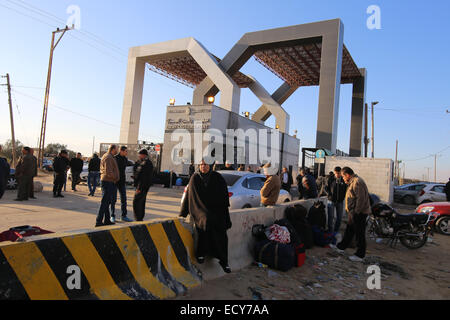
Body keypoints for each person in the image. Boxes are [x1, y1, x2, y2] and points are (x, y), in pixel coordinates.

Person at [180, 159, 232, 273]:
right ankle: (201, 254)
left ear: (210, 165)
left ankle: (224, 261)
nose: (203, 167)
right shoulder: (195, 177)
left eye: (206, 164)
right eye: (201, 164)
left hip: (216, 210)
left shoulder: (217, 178)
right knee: (205, 222)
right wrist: (182, 213)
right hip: (200, 210)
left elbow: (223, 196)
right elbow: (189, 197)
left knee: (221, 230)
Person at [331, 167, 371, 262]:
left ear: (348, 175)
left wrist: (356, 213)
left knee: (359, 234)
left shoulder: (357, 182)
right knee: (349, 230)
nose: (343, 179)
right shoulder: (352, 182)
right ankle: (341, 247)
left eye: (343, 177)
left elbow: (360, 199)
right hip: (354, 212)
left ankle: (360, 255)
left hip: (359, 213)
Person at [95, 145, 119, 227]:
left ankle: (107, 220)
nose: (117, 150)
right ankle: (98, 221)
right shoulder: (108, 157)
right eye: (117, 149)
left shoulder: (110, 156)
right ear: (113, 149)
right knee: (105, 202)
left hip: (109, 181)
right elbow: (108, 172)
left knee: (107, 202)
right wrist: (115, 178)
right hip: (108, 181)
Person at [111, 146, 132, 222]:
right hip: (115, 181)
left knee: (124, 199)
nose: (127, 153)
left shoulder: (125, 159)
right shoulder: (115, 158)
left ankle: (124, 216)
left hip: (122, 181)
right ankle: (112, 215)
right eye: (126, 151)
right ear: (121, 151)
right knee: (113, 199)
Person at [133, 149, 153, 221]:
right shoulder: (143, 162)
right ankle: (140, 217)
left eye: (140, 154)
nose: (139, 156)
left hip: (142, 187)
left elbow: (143, 177)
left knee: (137, 202)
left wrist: (139, 188)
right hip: (143, 186)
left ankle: (138, 218)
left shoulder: (146, 164)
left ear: (144, 155)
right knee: (141, 202)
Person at [326, 167, 347, 233]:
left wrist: (343, 197)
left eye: (339, 173)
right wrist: (329, 195)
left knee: (339, 218)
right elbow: (326, 188)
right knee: (331, 217)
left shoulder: (343, 180)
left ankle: (336, 230)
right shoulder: (330, 179)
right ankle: (330, 231)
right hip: (331, 201)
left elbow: (345, 189)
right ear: (334, 172)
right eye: (336, 173)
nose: (338, 174)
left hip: (340, 202)